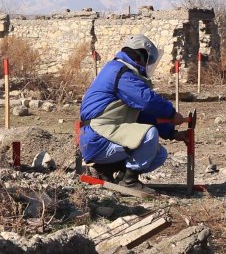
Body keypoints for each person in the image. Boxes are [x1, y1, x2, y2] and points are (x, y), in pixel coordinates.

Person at [79, 34, 188, 194]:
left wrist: (172, 132)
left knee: (159, 154)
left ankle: (106, 171)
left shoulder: (120, 71)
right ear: (139, 56)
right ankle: (129, 182)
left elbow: (143, 115)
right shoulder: (121, 73)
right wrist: (172, 114)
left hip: (105, 133)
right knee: (149, 135)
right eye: (147, 61)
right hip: (98, 136)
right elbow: (148, 101)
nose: (147, 66)